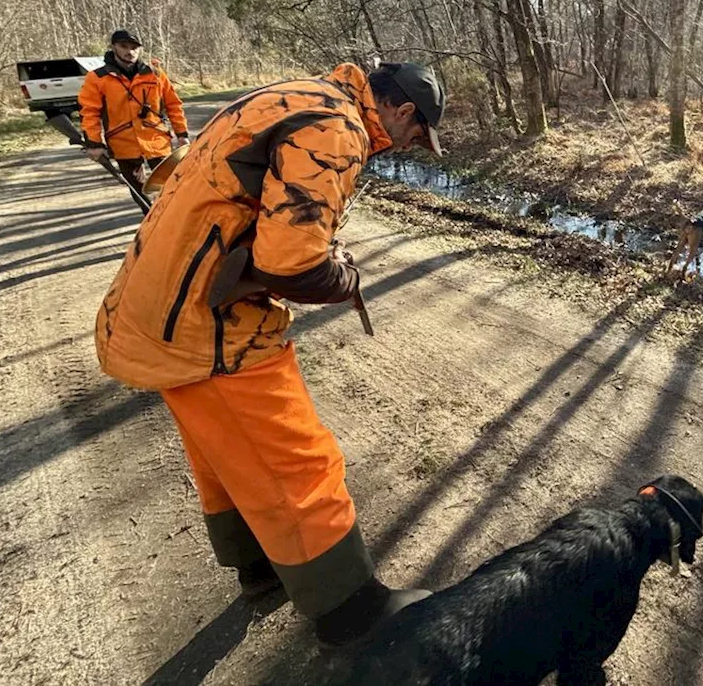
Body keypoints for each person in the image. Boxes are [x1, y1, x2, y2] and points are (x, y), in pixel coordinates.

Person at [92, 61, 445, 648]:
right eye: (416, 134)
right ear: (402, 110)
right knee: (297, 462)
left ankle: (262, 571)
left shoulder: (296, 95)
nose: (410, 146)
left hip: (160, 307)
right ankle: (348, 609)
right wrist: (344, 277)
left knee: (224, 449)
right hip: (211, 325)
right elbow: (292, 262)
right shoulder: (337, 127)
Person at [77, 29, 190, 195]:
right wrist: (94, 143)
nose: (130, 51)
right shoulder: (97, 78)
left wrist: (182, 134)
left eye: (134, 47)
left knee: (173, 192)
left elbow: (173, 104)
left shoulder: (155, 74)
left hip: (157, 141)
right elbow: (89, 112)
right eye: (124, 46)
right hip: (123, 144)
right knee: (141, 195)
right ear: (113, 47)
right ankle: (151, 219)